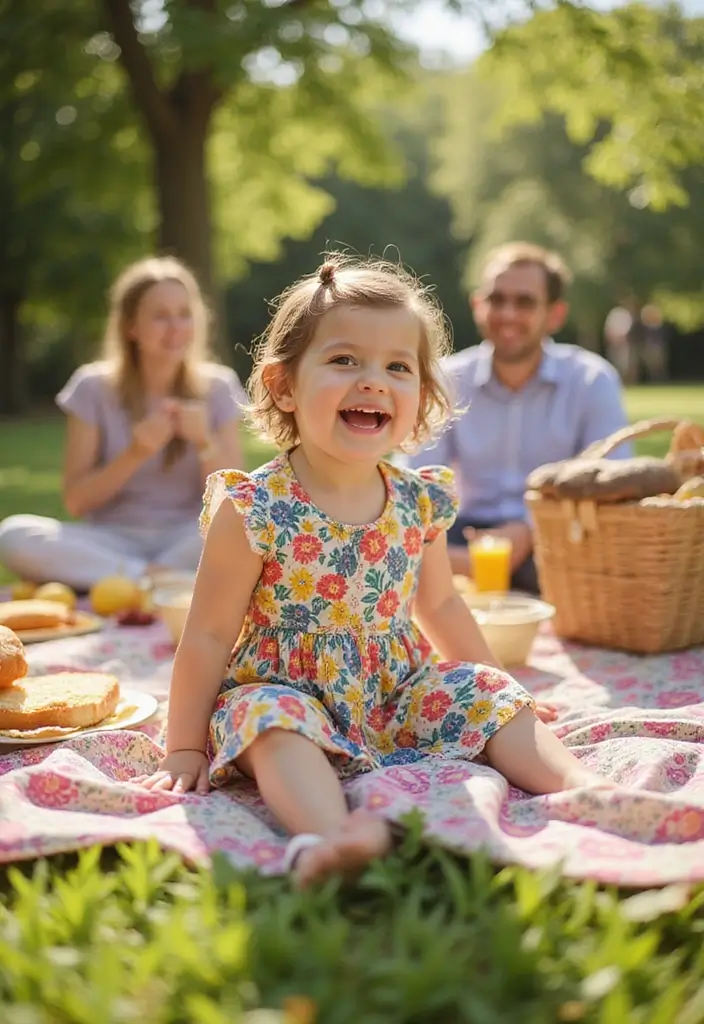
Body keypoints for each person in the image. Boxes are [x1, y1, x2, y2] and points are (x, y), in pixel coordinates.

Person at [133, 255, 611, 888]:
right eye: (344, 360)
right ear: (282, 386)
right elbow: (207, 636)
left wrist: (497, 686)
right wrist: (184, 746)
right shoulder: (254, 506)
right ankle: (332, 835)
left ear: (422, 397)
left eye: (397, 367)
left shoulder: (418, 499)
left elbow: (439, 607)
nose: (373, 381)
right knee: (268, 723)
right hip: (289, 689)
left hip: (394, 692)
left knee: (487, 693)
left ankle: (585, 790)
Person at [0, 256, 246, 590]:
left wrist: (205, 443)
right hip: (110, 539)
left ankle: (131, 580)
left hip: (189, 537)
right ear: (131, 327)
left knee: (244, 528)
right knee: (13, 535)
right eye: (160, 316)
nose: (176, 328)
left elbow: (237, 502)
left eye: (184, 314)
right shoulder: (91, 387)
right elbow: (77, 501)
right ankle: (155, 580)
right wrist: (136, 451)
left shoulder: (218, 387)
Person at [404, 242, 632, 592]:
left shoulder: (591, 380)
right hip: (464, 533)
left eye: (524, 302)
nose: (507, 314)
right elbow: (414, 484)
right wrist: (455, 558)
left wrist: (528, 531)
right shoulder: (447, 379)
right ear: (478, 306)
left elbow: (612, 483)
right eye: (497, 300)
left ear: (555, 314)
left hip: (559, 532)